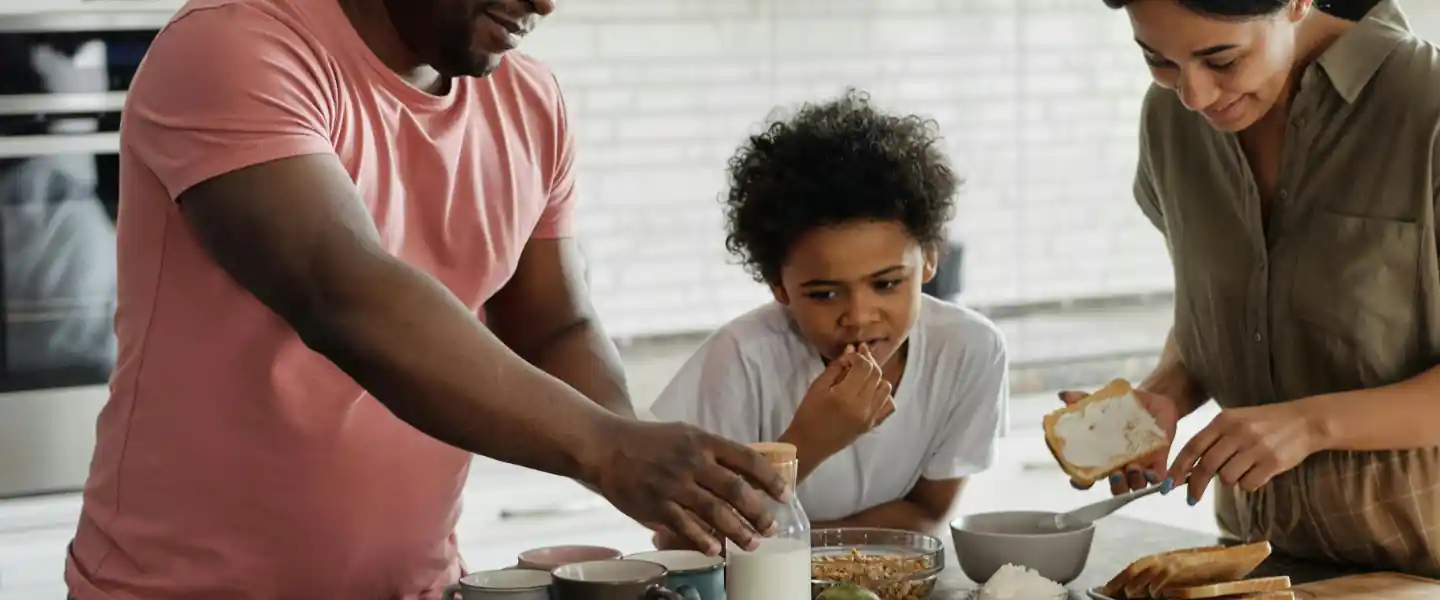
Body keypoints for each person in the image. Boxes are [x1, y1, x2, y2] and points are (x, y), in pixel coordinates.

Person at [68, 0, 785, 597]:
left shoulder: (530, 102)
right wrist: (605, 450)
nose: (544, 2)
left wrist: (644, 460)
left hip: (419, 587)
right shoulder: (234, 47)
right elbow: (341, 292)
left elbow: (555, 324)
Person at [1066, 0, 1440, 594]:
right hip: (1259, 560)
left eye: (1221, 59)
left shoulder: (1432, 106)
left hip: (1436, 562)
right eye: (1159, 61)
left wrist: (1310, 425)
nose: (1193, 94)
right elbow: (1219, 314)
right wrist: (1165, 395)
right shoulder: (1170, 121)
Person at [651, 90, 1007, 543]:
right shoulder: (741, 360)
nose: (858, 317)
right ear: (778, 285)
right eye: (824, 294)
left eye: (887, 283)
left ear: (930, 259)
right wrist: (807, 442)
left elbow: (925, 517)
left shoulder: (969, 351)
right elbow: (683, 539)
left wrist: (786, 539)